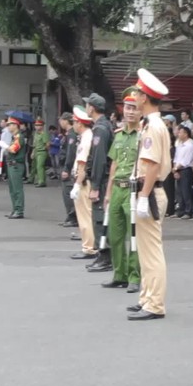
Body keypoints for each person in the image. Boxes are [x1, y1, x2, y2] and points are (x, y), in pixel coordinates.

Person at [127, 68, 171, 321]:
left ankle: (154, 304)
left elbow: (152, 164)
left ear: (145, 98)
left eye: (138, 93)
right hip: (147, 190)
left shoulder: (153, 126)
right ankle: (146, 297)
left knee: (151, 251)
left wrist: (143, 196)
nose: (135, 97)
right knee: (145, 250)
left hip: (150, 191)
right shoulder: (151, 124)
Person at [101, 88, 141, 293]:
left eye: (134, 108)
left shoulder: (143, 135)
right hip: (117, 188)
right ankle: (120, 274)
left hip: (133, 189)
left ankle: (135, 276)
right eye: (127, 107)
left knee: (134, 236)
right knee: (115, 236)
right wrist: (108, 193)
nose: (130, 112)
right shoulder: (118, 135)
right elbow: (114, 166)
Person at [82, 93, 114, 272]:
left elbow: (99, 160)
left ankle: (105, 256)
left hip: (102, 182)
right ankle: (102, 255)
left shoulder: (100, 129)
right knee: (99, 218)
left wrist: (95, 186)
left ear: (92, 108)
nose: (86, 107)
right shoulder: (102, 126)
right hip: (103, 180)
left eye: (87, 105)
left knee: (100, 219)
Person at [69, 105, 96, 260]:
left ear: (80, 123)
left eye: (74, 122)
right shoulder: (88, 136)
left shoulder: (86, 138)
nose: (73, 125)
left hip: (84, 182)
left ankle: (89, 247)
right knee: (87, 214)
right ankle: (91, 244)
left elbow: (82, 164)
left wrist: (77, 184)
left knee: (85, 216)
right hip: (85, 180)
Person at [3, 117, 26, 219]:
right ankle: (15, 209)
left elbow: (13, 150)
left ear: (15, 125)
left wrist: (5, 146)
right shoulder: (15, 137)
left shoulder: (19, 137)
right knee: (12, 189)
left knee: (17, 189)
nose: (8, 126)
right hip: (12, 164)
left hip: (16, 165)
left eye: (10, 124)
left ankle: (19, 210)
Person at [58, 113, 78, 228]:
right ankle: (69, 216)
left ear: (66, 121)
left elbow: (70, 153)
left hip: (69, 168)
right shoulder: (69, 134)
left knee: (68, 193)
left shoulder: (71, 135)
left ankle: (72, 217)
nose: (60, 122)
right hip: (66, 166)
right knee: (66, 193)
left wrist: (67, 169)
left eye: (61, 120)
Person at [173, 125, 193, 219]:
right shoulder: (179, 145)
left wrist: (176, 168)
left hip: (186, 169)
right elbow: (176, 158)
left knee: (186, 191)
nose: (179, 134)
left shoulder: (190, 146)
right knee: (179, 192)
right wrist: (174, 170)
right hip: (177, 169)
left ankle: (188, 211)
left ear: (186, 134)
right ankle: (180, 210)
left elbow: (185, 161)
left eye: (180, 132)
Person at [30, 118, 48, 187]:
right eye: (36, 125)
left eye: (39, 125)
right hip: (36, 151)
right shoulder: (36, 134)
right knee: (37, 167)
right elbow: (35, 145)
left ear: (42, 126)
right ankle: (41, 180)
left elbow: (47, 144)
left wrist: (46, 151)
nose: (37, 127)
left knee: (39, 166)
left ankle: (41, 181)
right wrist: (33, 152)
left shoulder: (44, 134)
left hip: (42, 152)